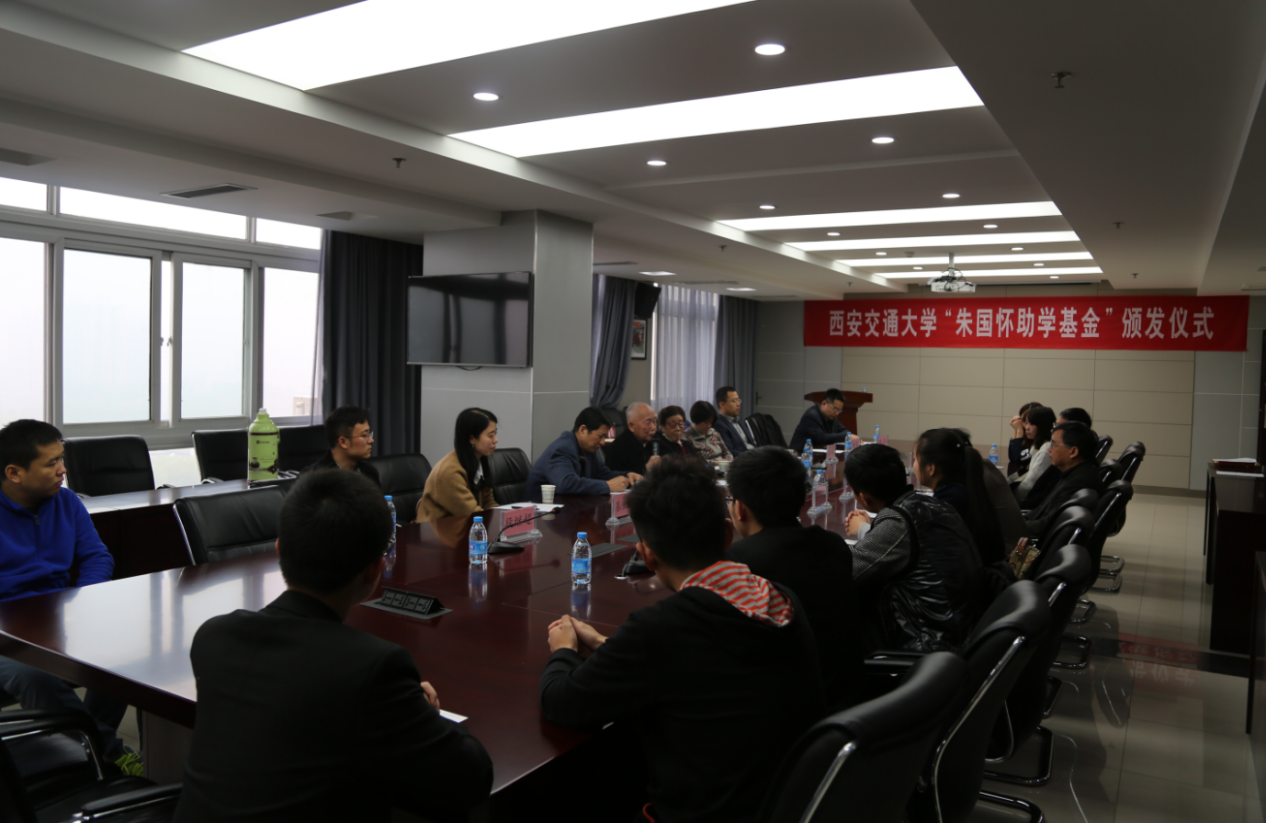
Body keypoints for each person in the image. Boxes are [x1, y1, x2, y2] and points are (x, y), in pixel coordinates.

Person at [174, 470, 492, 822]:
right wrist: (418, 712)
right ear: (375, 570)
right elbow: (472, 778)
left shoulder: (213, 637)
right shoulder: (372, 667)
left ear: (279, 550)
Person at [540, 457, 824, 823]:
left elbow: (562, 702)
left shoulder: (661, 628)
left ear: (646, 555)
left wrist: (563, 649)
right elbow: (702, 670)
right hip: (792, 805)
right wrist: (609, 646)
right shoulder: (780, 597)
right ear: (727, 534)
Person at [0, 419, 140, 775]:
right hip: (5, 629)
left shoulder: (66, 502)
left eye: (62, 458)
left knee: (128, 651)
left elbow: (96, 556)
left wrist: (84, 600)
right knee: (35, 675)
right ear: (14, 473)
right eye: (52, 463)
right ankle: (108, 753)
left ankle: (86, 747)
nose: (63, 469)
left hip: (58, 617)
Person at [726, 446, 864, 708]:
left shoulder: (737, 563)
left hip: (789, 709)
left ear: (739, 508)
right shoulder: (833, 544)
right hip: (848, 697)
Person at [843, 444, 984, 652]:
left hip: (931, 643)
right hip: (964, 629)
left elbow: (846, 570)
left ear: (864, 497)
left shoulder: (898, 522)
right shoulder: (934, 504)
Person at [912, 428, 1010, 565]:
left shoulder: (947, 504)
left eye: (915, 459)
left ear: (931, 468)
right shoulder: (961, 491)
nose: (913, 465)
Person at [524, 407, 642, 501]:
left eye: (604, 437)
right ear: (582, 430)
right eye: (600, 436)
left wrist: (627, 476)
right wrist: (607, 486)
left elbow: (604, 474)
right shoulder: (562, 449)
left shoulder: (587, 449)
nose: (602, 442)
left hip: (569, 509)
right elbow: (565, 484)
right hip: (540, 514)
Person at [1027, 422, 1106, 539]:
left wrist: (1008, 525)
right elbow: (1043, 511)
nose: (1049, 449)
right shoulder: (1077, 472)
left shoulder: (1079, 483)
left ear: (1073, 452)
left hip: (1035, 544)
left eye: (1054, 444)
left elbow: (1046, 526)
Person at [416, 408, 498, 521]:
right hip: (439, 529)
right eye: (490, 435)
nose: (496, 440)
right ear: (471, 438)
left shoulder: (482, 461)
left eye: (495, 434)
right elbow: (471, 513)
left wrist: (506, 517)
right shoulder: (449, 471)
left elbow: (488, 502)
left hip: (466, 525)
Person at [303, 405, 380, 487]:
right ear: (343, 442)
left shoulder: (369, 473)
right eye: (364, 435)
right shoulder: (313, 478)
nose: (371, 440)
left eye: (369, 434)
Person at [1010, 405, 1056, 506]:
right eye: (1026, 423)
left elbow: (1028, 485)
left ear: (1043, 426)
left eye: (1032, 424)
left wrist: (1008, 499)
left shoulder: (1046, 450)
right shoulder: (1038, 445)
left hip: (1030, 503)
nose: (1026, 427)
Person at [604, 402, 662, 476]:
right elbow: (618, 479)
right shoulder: (618, 448)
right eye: (648, 423)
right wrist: (646, 469)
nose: (653, 428)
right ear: (631, 426)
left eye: (654, 422)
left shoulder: (652, 441)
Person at [712, 386, 757, 455]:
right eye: (734, 401)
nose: (738, 404)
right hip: (744, 458)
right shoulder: (719, 425)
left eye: (738, 400)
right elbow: (730, 452)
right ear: (722, 405)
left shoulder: (739, 421)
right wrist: (753, 456)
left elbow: (752, 443)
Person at [1006, 400, 1044, 475]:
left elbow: (1018, 458)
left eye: (1031, 422)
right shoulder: (1028, 435)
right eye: (1024, 421)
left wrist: (1019, 430)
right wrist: (1016, 429)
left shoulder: (1042, 443)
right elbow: (1012, 457)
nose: (1026, 426)